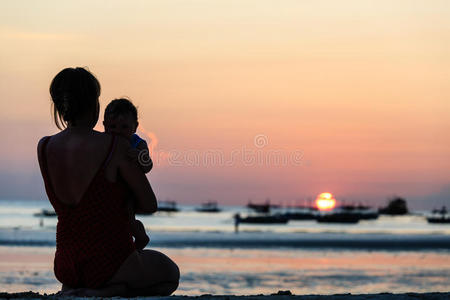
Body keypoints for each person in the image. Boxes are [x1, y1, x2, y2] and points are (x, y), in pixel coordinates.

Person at [37, 67, 179, 297]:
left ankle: (85, 287)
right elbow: (149, 204)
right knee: (170, 274)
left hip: (66, 264)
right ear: (94, 104)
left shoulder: (43, 147)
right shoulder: (115, 146)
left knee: (104, 274)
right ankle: (107, 289)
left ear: (60, 106)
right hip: (111, 261)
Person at [103, 98, 152, 250]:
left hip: (130, 190)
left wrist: (138, 156)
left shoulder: (138, 144)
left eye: (124, 127)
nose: (117, 131)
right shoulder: (103, 142)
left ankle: (140, 237)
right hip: (111, 187)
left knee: (128, 217)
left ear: (135, 127)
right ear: (104, 125)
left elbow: (148, 166)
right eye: (112, 126)